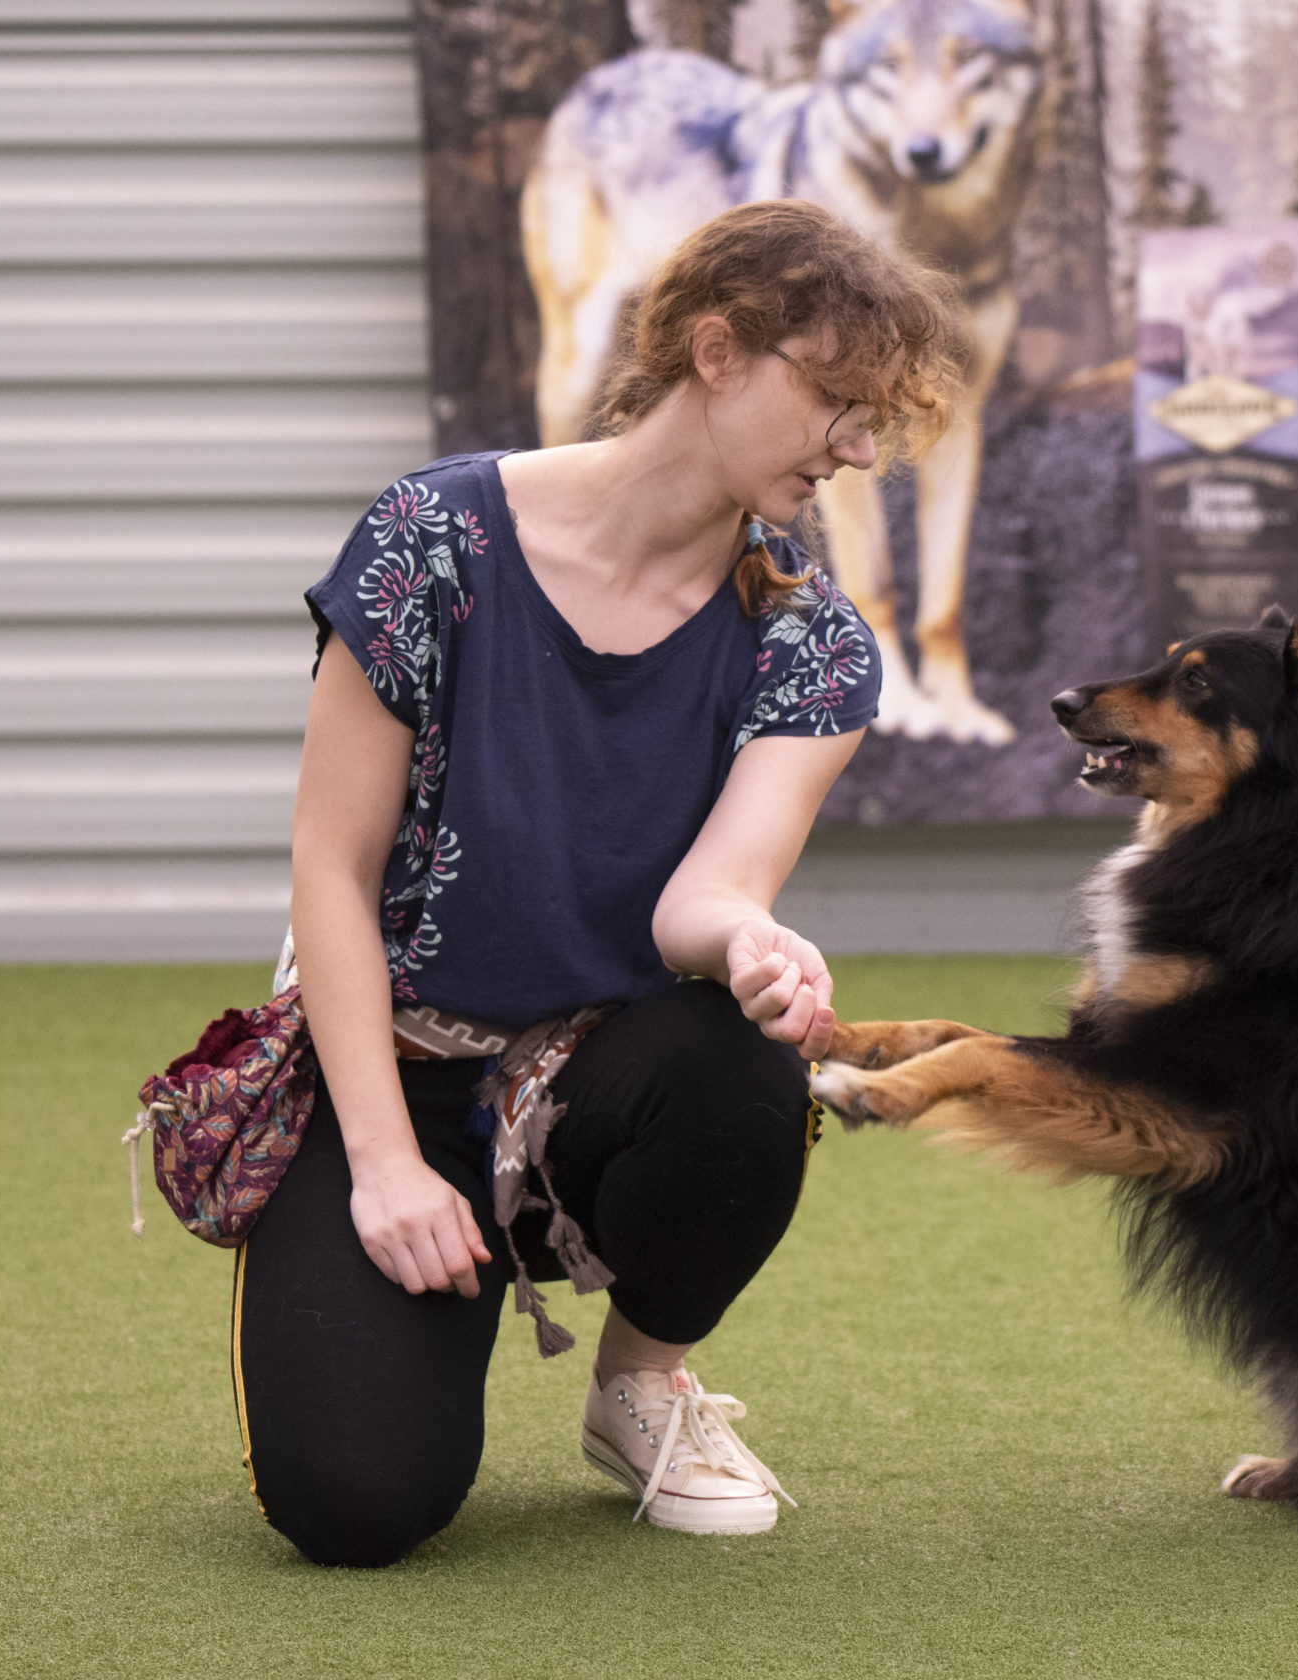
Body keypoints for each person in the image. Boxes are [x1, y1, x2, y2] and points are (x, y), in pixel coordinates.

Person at [234, 199, 967, 1566]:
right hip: (397, 1063)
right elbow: (327, 871)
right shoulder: (430, 538)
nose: (860, 450)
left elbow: (705, 899)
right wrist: (385, 1165)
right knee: (354, 1509)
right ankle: (396, 1221)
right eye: (837, 403)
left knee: (746, 1054)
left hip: (601, 1072)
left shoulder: (811, 637)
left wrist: (753, 941)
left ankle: (642, 1381)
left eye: (881, 420)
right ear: (715, 349)